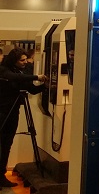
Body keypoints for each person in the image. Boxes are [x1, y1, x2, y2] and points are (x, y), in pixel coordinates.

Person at [0, 48, 46, 187]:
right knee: (2, 144)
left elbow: (32, 90)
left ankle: (1, 175)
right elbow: (14, 77)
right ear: (14, 61)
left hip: (13, 112)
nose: (25, 62)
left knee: (7, 144)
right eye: (22, 60)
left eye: (26, 59)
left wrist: (46, 86)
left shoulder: (21, 72)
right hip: (2, 112)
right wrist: (36, 77)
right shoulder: (4, 70)